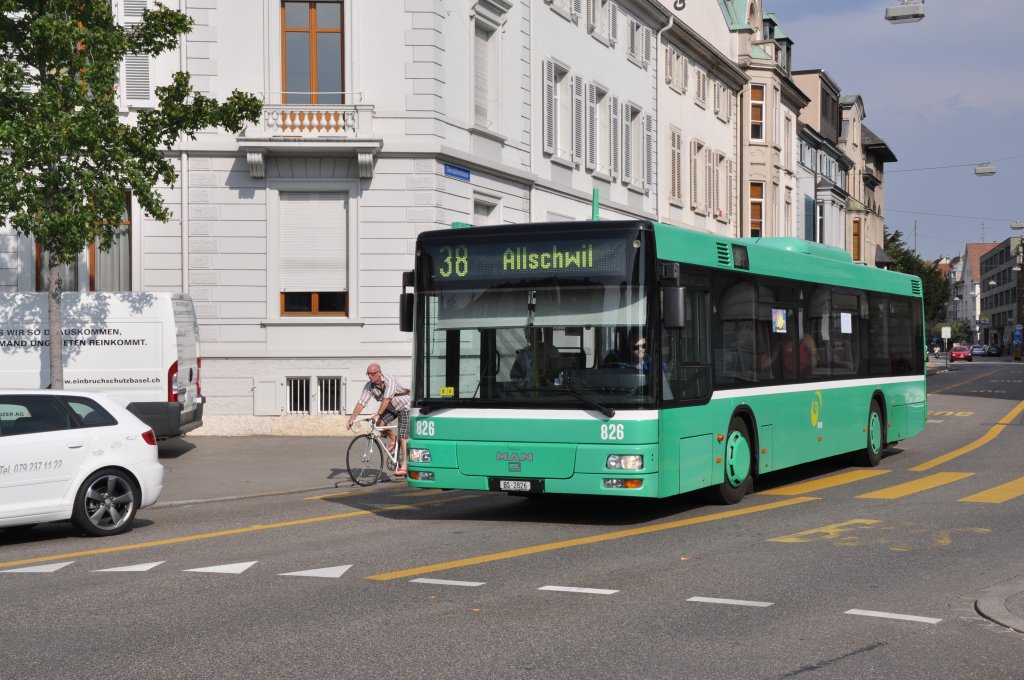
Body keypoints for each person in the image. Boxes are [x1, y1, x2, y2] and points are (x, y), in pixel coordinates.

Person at [347, 363, 411, 476]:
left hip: (404, 406)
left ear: (379, 372)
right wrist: (352, 419)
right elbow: (361, 403)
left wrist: (378, 413)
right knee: (379, 424)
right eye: (368, 374)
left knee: (403, 435)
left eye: (372, 374)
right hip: (391, 408)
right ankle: (394, 439)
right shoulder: (369, 386)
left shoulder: (389, 380)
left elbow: (386, 399)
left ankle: (405, 466)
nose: (370, 376)